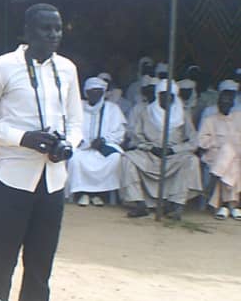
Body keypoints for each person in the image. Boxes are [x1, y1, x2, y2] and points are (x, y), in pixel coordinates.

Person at [0, 3, 82, 301]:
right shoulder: (0, 67)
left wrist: (68, 145)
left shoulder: (67, 70)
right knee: (2, 265)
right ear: (27, 32)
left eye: (57, 29)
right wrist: (23, 138)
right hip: (11, 180)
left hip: (52, 182)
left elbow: (78, 123)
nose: (52, 36)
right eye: (44, 29)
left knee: (40, 268)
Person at [118, 79, 202, 219]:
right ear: (158, 95)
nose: (167, 98)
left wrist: (174, 150)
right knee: (128, 159)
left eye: (170, 95)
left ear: (174, 97)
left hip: (173, 155)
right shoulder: (146, 112)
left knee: (192, 161)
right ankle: (139, 203)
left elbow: (194, 141)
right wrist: (150, 148)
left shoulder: (183, 114)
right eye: (163, 95)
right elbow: (137, 137)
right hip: (150, 153)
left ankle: (176, 205)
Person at [68, 76, 126, 206]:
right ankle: (82, 193)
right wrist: (79, 140)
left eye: (98, 91)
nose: (95, 94)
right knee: (74, 158)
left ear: (103, 93)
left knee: (115, 158)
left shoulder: (112, 108)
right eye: (92, 91)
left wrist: (104, 140)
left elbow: (119, 132)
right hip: (82, 147)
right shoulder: (78, 107)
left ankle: (98, 194)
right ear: (86, 92)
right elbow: (69, 127)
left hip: (103, 147)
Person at [197, 80, 241, 219]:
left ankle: (222, 204)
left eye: (229, 102)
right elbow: (201, 141)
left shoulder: (239, 117)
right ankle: (234, 206)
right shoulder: (210, 119)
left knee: (230, 159)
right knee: (229, 157)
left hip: (236, 155)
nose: (225, 105)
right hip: (214, 154)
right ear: (218, 102)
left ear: (232, 103)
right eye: (223, 102)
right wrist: (218, 142)